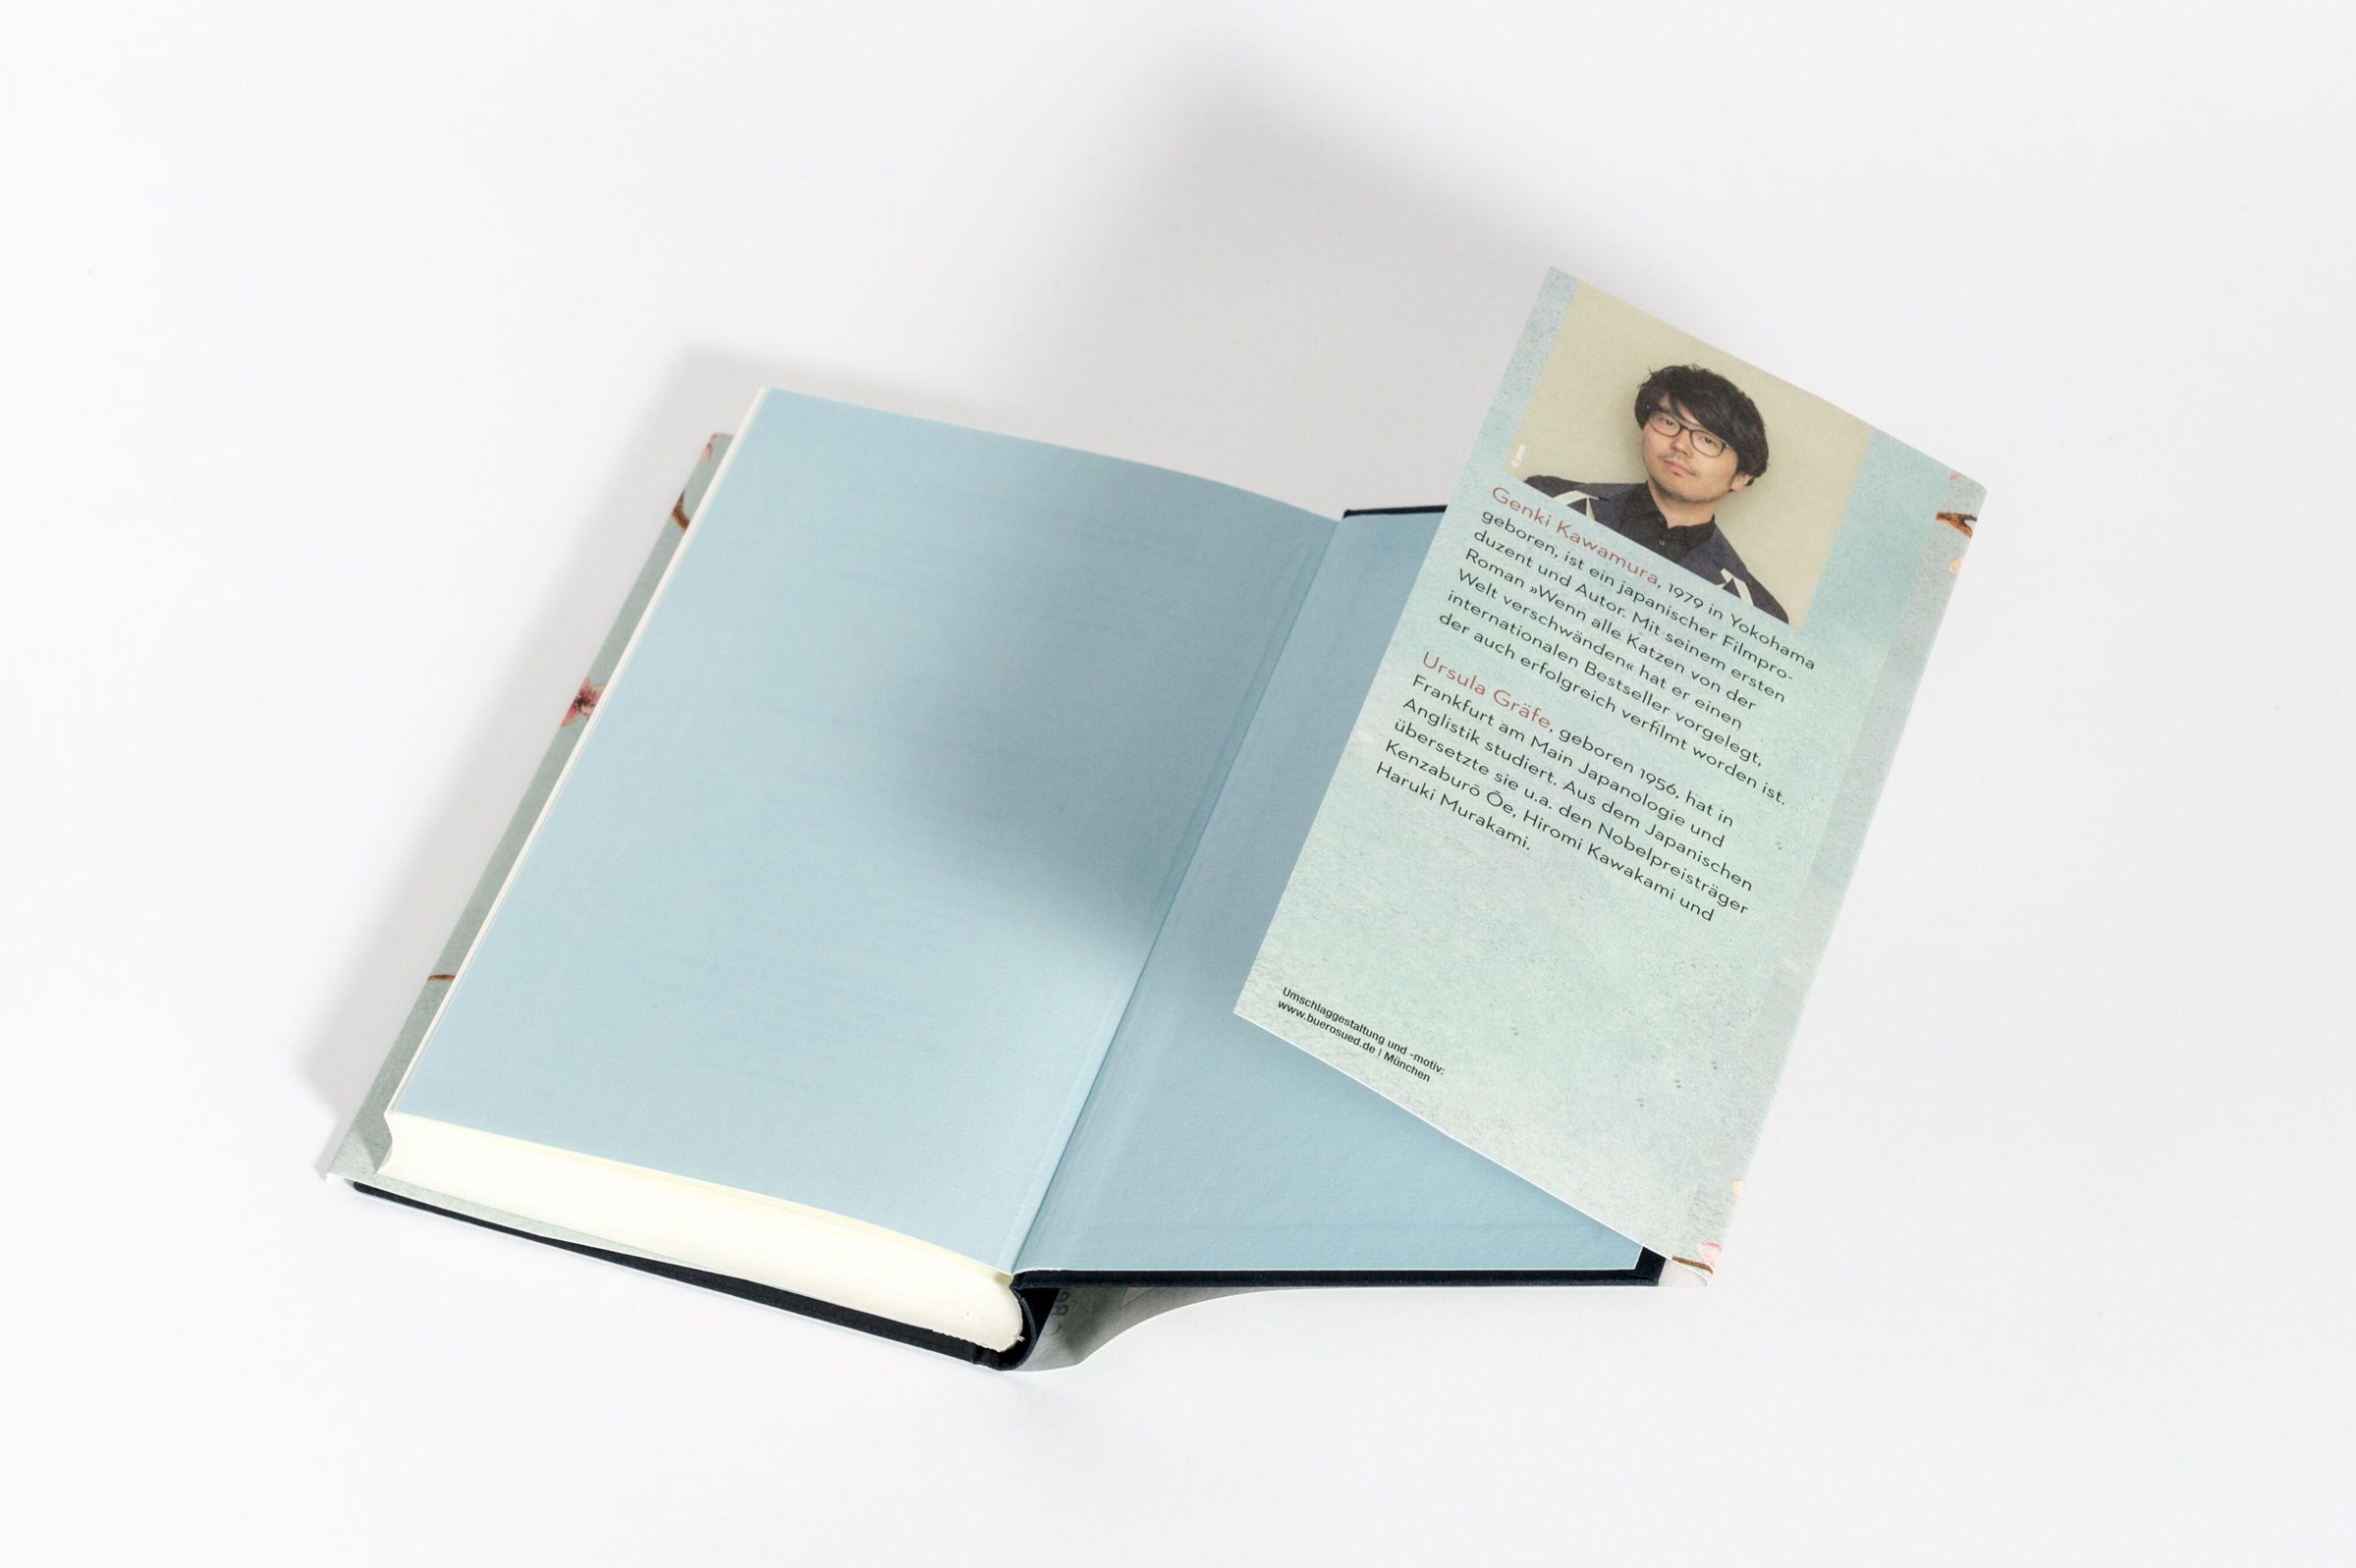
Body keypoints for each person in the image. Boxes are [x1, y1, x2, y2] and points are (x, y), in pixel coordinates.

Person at [1525, 365, 1789, 622]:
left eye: (1708, 440)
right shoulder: (1545, 500)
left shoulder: (1759, 615)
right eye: (1668, 422)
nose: (1680, 444)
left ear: (1741, 476)